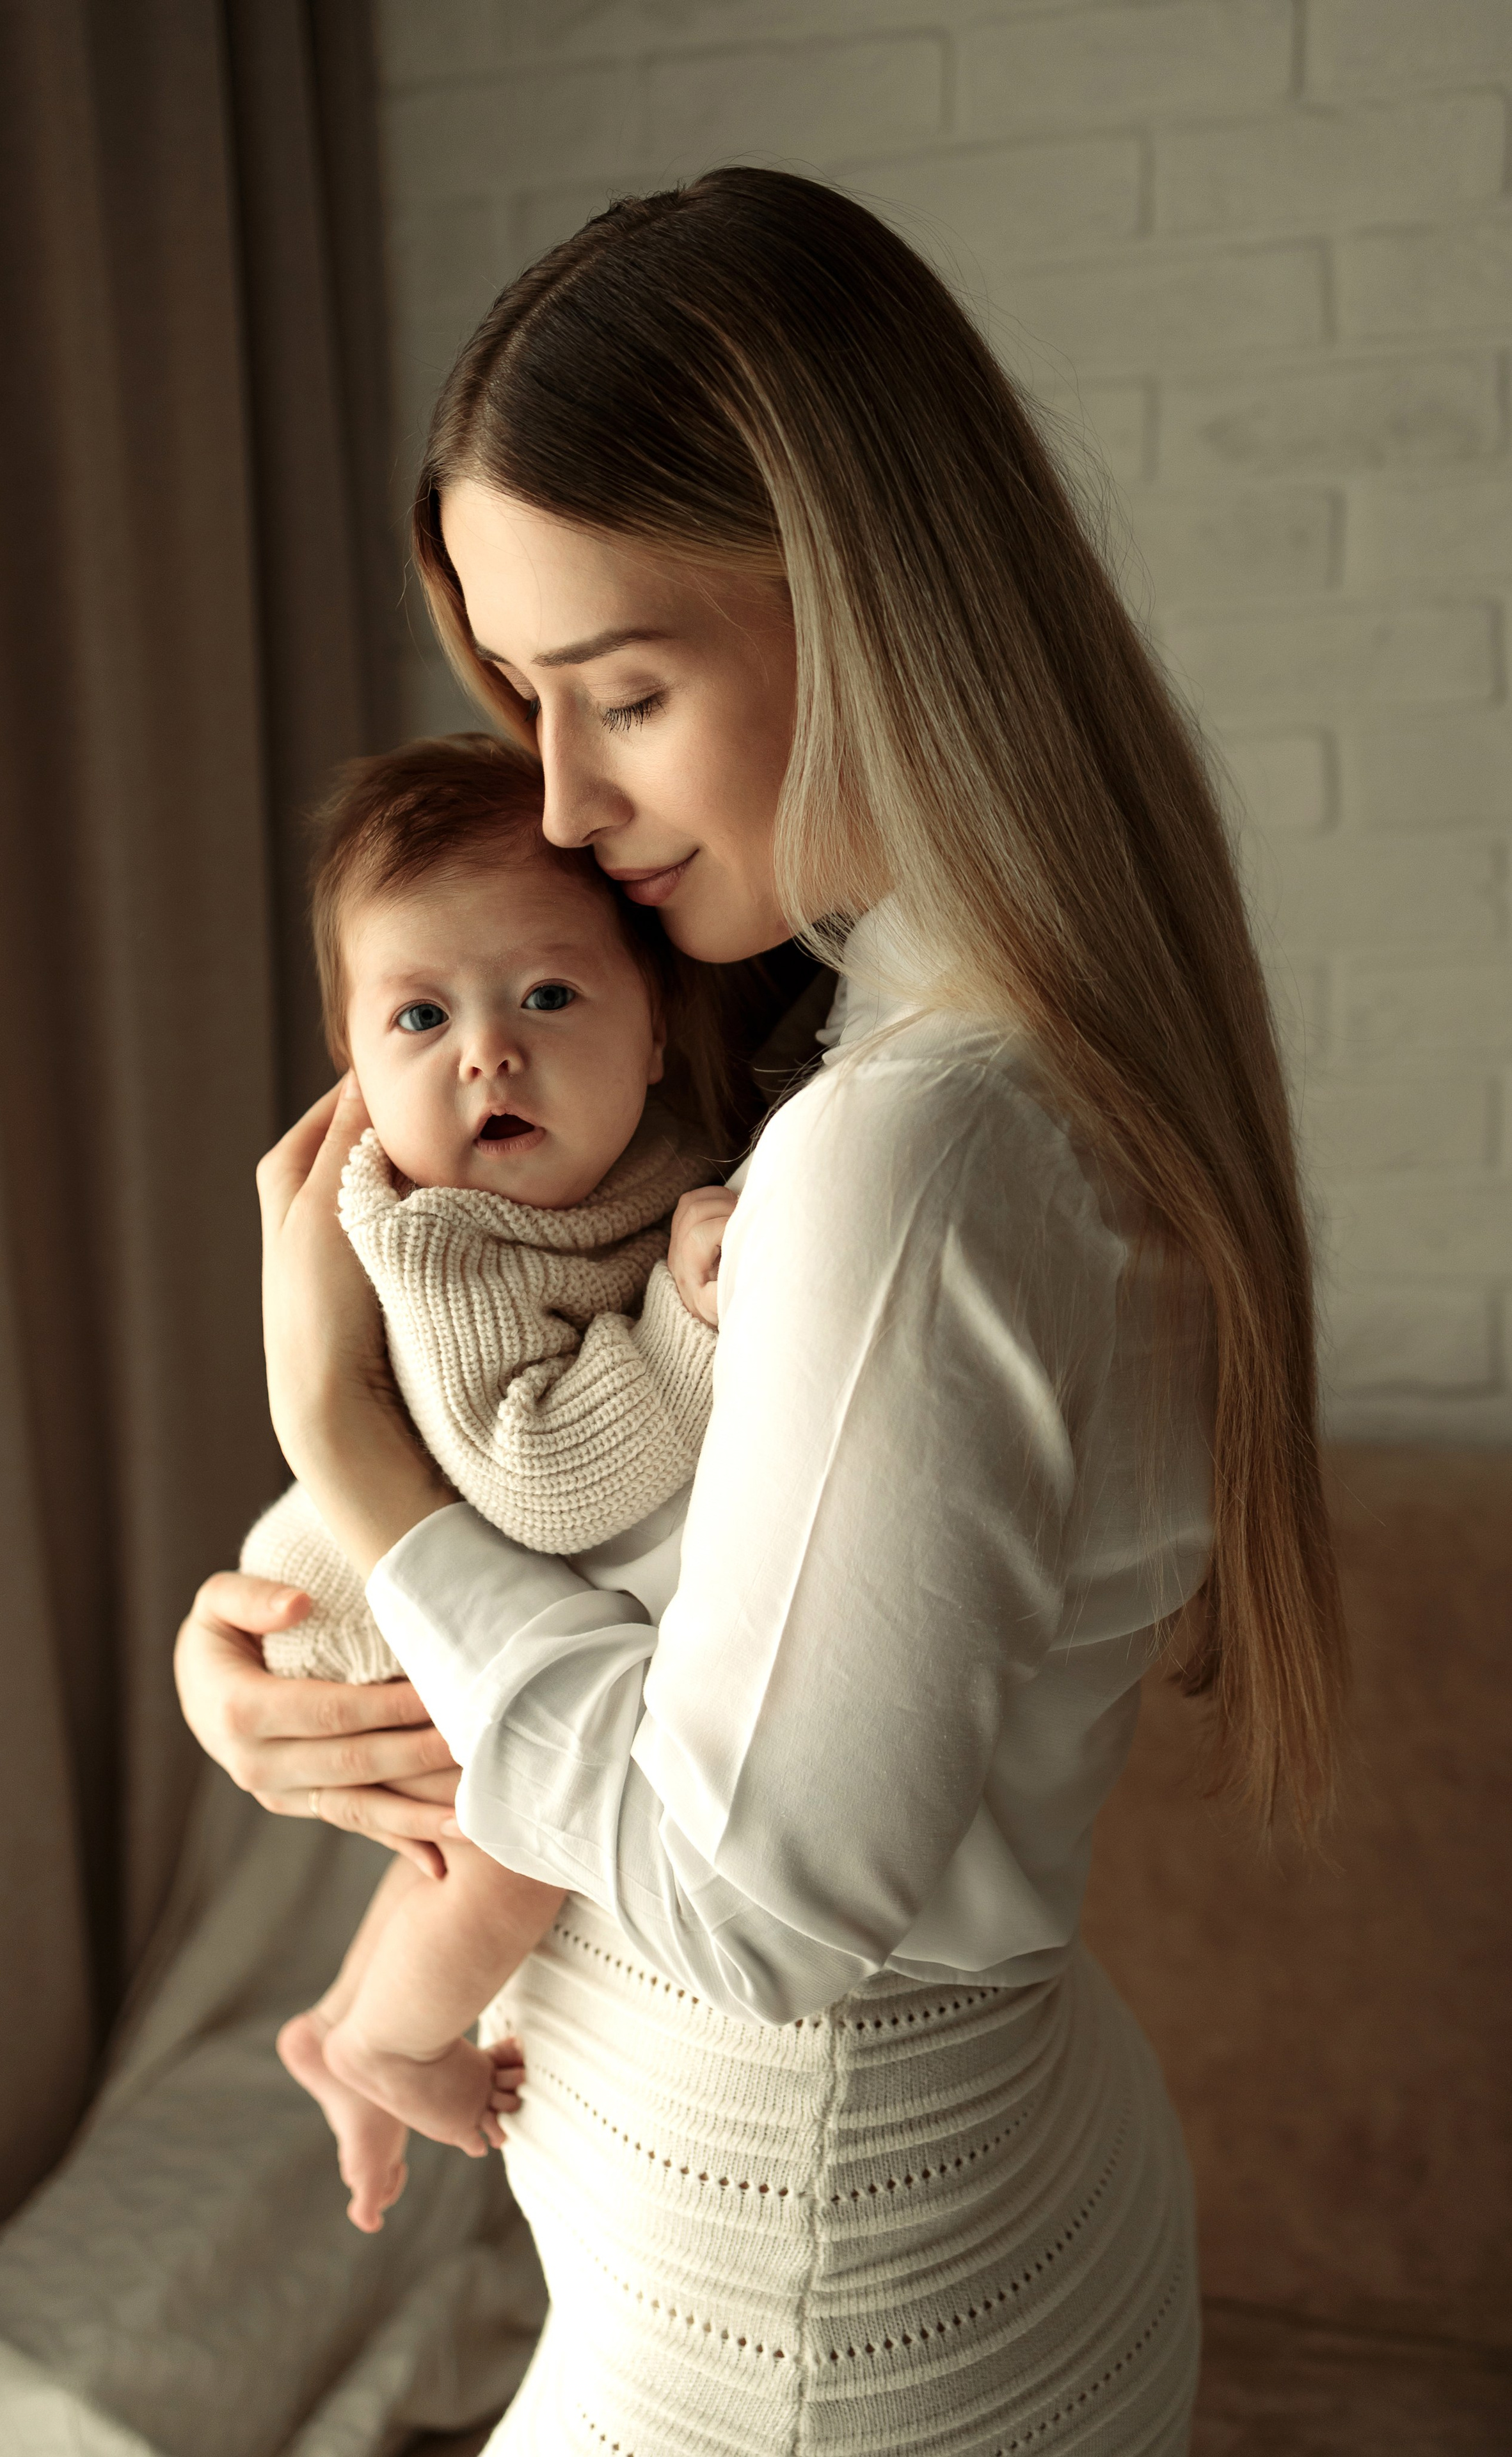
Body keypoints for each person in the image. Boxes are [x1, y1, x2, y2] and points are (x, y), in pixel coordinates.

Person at [177, 169, 1346, 2453]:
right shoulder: (883, 1045)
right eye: (525, 700)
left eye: (624, 691)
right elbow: (670, 1591)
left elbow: (756, 1906)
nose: (558, 799)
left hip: (801, 2309)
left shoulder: (917, 1148)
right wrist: (291, 1669)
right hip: (851, 2252)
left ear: (874, 606)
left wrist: (346, 1447)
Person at [240, 731, 735, 2228]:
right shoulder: (438, 1236)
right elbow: (541, 1485)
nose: (487, 1054)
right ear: (353, 1073)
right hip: (356, 1602)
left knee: (465, 1841)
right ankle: (390, 2044)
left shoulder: (633, 1167)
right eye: (419, 1016)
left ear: (654, 1034)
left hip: (408, 1572)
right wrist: (692, 1326)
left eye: (547, 996)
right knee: (516, 1843)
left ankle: (335, 2023)